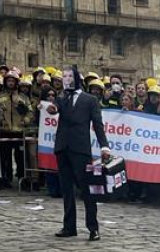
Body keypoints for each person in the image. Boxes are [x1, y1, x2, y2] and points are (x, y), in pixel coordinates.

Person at [46, 66, 111, 241]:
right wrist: (51, 109)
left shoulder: (89, 100)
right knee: (66, 188)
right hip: (63, 147)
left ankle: (93, 227)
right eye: (64, 77)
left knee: (87, 189)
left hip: (80, 148)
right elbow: (54, 108)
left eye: (69, 77)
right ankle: (69, 226)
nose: (66, 80)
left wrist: (104, 146)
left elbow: (98, 124)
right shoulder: (62, 98)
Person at [0, 69, 33, 188]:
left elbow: (30, 112)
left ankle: (22, 179)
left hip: (19, 132)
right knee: (4, 157)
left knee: (20, 158)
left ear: (16, 82)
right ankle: (5, 179)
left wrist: (25, 120)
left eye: (12, 81)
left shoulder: (23, 97)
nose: (10, 83)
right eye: (8, 81)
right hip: (4, 131)